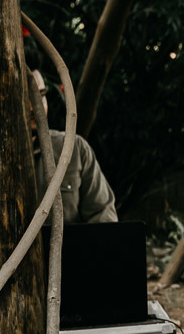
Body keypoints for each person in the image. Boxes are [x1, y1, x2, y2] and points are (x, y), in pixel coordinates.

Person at [27, 67, 117, 224]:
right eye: (26, 97)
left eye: (41, 95)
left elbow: (103, 217)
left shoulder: (74, 149)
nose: (35, 107)